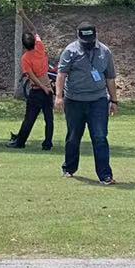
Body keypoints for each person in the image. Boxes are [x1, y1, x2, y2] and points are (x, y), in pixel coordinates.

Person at [55, 22, 119, 184]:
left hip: (98, 101)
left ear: (96, 36)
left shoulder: (105, 52)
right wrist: (59, 96)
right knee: (73, 136)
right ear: (78, 36)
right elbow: (61, 74)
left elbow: (110, 78)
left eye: (90, 41)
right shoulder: (70, 51)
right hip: (74, 101)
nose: (88, 44)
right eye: (85, 41)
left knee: (100, 137)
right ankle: (69, 168)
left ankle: (105, 175)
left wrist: (114, 100)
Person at [7, 17, 54, 150]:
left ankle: (20, 142)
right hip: (48, 89)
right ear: (34, 41)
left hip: (37, 90)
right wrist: (23, 15)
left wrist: (42, 87)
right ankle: (47, 144)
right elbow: (33, 29)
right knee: (49, 119)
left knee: (29, 118)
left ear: (24, 46)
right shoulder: (40, 47)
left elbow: (31, 76)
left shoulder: (25, 58)